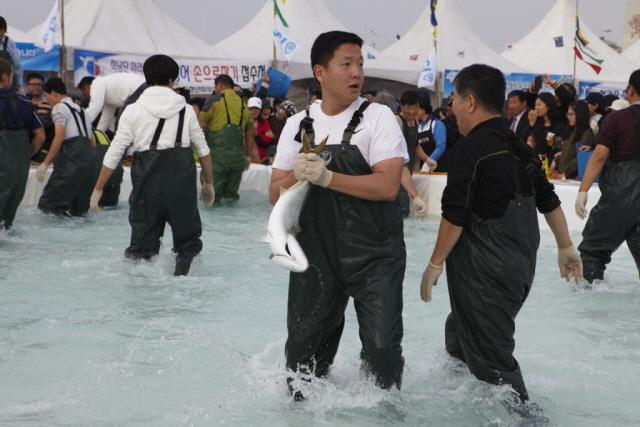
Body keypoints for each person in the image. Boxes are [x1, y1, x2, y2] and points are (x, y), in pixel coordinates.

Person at [419, 64, 582, 403]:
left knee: (498, 372)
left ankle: (525, 419)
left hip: (487, 270)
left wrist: (434, 264)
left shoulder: (470, 149)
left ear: (470, 102)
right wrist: (566, 246)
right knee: (462, 334)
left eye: (454, 99)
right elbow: (548, 200)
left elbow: (455, 216)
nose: (451, 107)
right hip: (519, 266)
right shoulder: (518, 145)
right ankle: (462, 394)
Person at [270, 31, 408, 399]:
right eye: (346, 64)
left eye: (360, 64)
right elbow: (274, 195)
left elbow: (387, 186)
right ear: (320, 72)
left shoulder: (379, 118)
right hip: (315, 253)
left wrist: (328, 177)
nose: (356, 72)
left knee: (381, 349)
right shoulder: (297, 125)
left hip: (374, 254)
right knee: (302, 358)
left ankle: (384, 412)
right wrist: (294, 176)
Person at [90, 54, 214, 276]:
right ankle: (183, 283)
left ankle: (142, 298)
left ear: (146, 78)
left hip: (147, 185)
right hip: (181, 185)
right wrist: (209, 184)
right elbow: (203, 150)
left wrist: (98, 189)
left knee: (141, 249)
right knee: (188, 246)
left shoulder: (133, 110)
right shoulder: (186, 110)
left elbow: (114, 153)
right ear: (173, 80)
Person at [575, 69, 640, 283]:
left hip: (621, 196)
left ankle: (588, 308)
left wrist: (583, 190)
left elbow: (600, 155)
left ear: (630, 91)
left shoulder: (617, 119)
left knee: (593, 252)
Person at [37, 77, 98, 217]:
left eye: (47, 96)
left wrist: (45, 163)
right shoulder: (82, 110)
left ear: (54, 94)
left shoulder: (59, 108)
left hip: (73, 160)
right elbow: (92, 140)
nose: (47, 101)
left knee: (49, 208)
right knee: (79, 212)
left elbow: (59, 136)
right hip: (91, 162)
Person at [0, 58, 44, 229]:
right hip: (19, 169)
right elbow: (40, 135)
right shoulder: (24, 102)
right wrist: (25, 156)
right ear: (5, 77)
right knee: (6, 224)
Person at [199, 74, 254, 203]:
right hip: (238, 161)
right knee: (231, 199)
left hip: (217, 161)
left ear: (220, 85)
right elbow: (250, 133)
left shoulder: (214, 100)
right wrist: (247, 156)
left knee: (212, 199)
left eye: (215, 86)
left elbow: (200, 127)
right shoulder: (244, 105)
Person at [396, 90, 427, 218]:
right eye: (409, 107)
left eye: (415, 108)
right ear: (402, 106)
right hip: (397, 170)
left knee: (406, 206)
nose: (412, 111)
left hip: (408, 170)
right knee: (400, 204)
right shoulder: (397, 121)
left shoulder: (415, 122)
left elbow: (415, 145)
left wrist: (427, 159)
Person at [552, 101, 594, 179]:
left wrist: (565, 173)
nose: (568, 117)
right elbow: (567, 154)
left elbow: (580, 158)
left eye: (571, 114)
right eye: (568, 114)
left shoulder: (586, 133)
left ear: (580, 115)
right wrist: (556, 160)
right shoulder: (570, 131)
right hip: (563, 176)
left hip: (573, 179)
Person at [0, 17, 23, 93]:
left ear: (4, 30)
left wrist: (19, 86)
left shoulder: (9, 42)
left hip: (7, 83)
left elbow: (17, 65)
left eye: (1, 30)